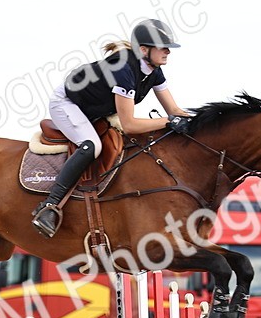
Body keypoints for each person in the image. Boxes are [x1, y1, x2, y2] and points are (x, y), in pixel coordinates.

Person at [32, 18, 194, 238]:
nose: (168, 51)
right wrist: (168, 122)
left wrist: (198, 121)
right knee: (92, 145)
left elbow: (174, 110)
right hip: (67, 103)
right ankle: (49, 206)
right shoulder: (124, 70)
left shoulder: (154, 71)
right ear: (144, 50)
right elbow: (130, 124)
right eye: (163, 47)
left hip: (94, 108)